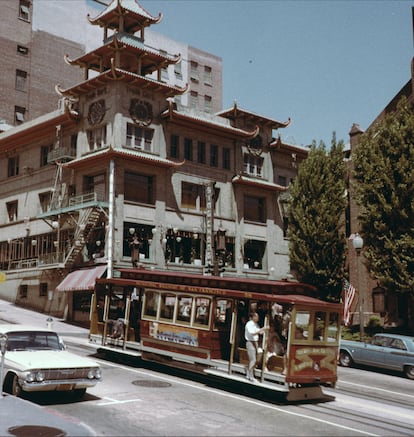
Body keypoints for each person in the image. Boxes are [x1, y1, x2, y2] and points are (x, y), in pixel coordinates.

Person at [244, 312, 268, 382]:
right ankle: (250, 376)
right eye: (256, 316)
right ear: (253, 317)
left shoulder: (256, 324)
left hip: (255, 343)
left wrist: (265, 330)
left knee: (257, 357)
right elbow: (253, 333)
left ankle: (248, 371)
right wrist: (263, 328)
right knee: (253, 359)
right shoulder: (249, 324)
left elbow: (259, 332)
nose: (258, 318)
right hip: (250, 342)